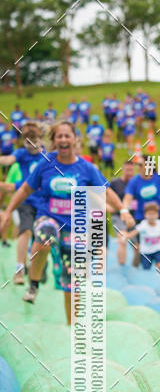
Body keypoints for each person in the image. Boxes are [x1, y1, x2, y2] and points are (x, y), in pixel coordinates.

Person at [0, 121, 134, 321]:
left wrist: (123, 210)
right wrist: (8, 212)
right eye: (59, 136)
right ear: (54, 141)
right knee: (45, 234)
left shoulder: (87, 169)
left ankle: (72, 326)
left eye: (67, 136)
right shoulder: (46, 163)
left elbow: (106, 190)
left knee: (72, 279)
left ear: (75, 139)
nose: (63, 139)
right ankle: (34, 283)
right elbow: (25, 189)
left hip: (74, 228)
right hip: (48, 217)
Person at [0, 120, 46, 283]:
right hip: (26, 199)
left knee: (40, 237)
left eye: (34, 140)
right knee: (25, 231)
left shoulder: (46, 154)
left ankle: (38, 270)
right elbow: (8, 160)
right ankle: (19, 270)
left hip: (43, 203)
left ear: (41, 139)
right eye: (27, 140)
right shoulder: (21, 154)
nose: (31, 144)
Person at [125, 201, 160, 274]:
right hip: (146, 252)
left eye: (153, 214)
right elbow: (134, 232)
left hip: (158, 250)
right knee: (146, 270)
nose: (151, 216)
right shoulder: (143, 225)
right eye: (149, 214)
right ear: (145, 215)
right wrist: (126, 236)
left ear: (157, 215)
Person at [109, 159, 137, 265]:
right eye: (127, 170)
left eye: (131, 170)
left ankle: (135, 268)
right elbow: (105, 196)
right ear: (123, 170)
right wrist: (108, 207)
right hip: (119, 216)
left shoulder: (135, 183)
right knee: (123, 239)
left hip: (134, 217)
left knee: (137, 246)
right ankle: (122, 267)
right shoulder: (115, 183)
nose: (129, 172)